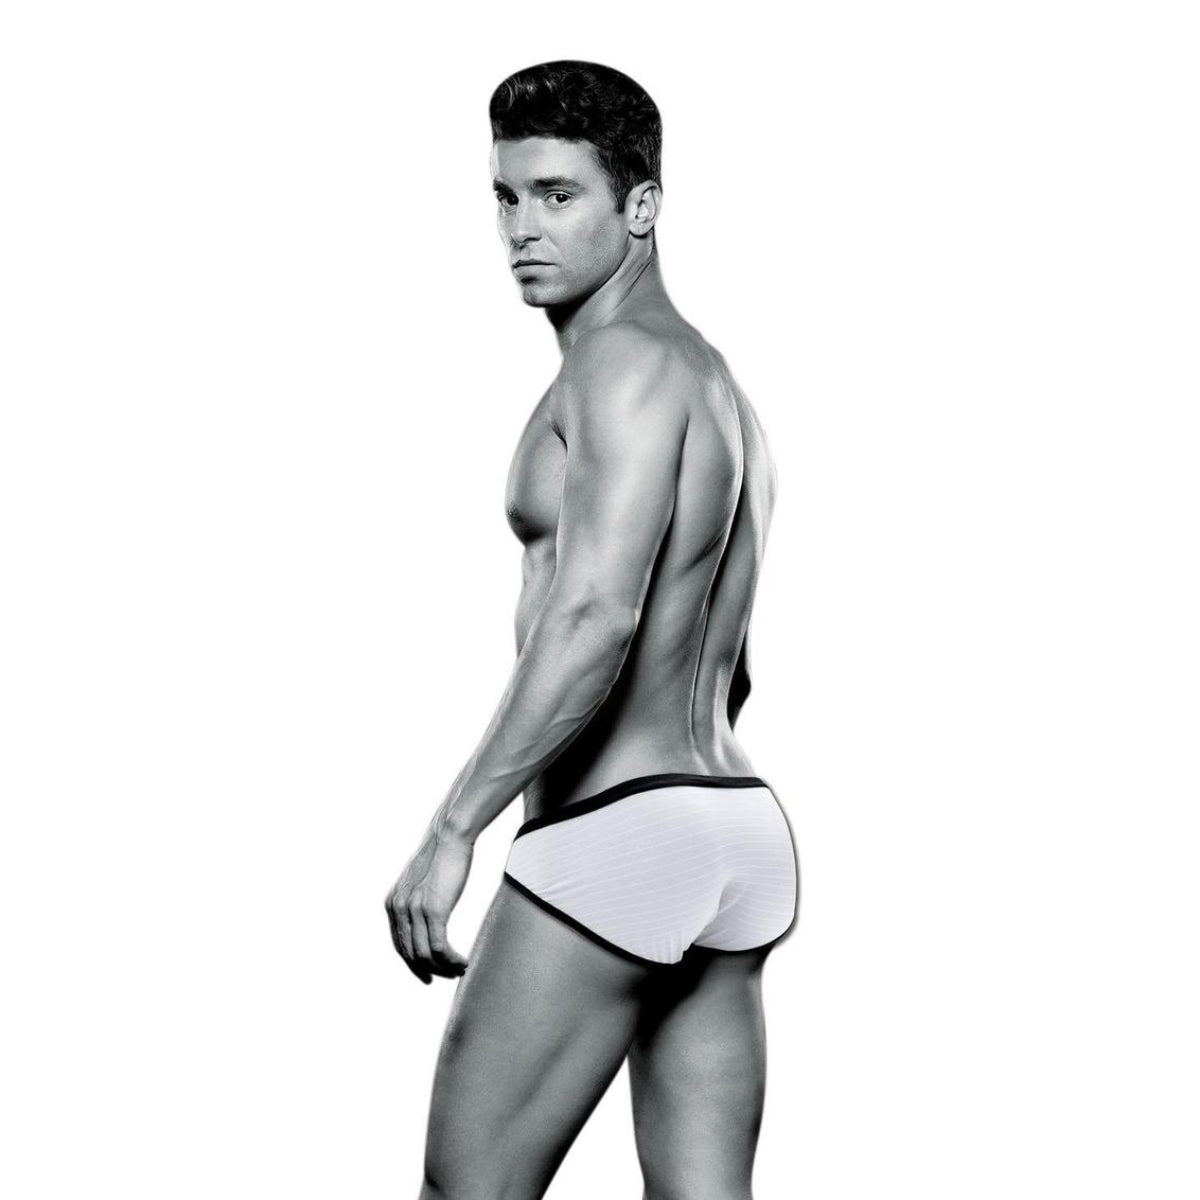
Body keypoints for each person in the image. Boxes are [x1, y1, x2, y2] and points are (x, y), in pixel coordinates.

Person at [385, 59, 800, 1199]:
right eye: (506, 196)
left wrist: (454, 828)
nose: (523, 227)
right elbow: (734, 662)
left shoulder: (619, 364)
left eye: (560, 195)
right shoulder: (719, 389)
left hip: (618, 829)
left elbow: (597, 614)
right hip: (738, 831)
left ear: (642, 206)